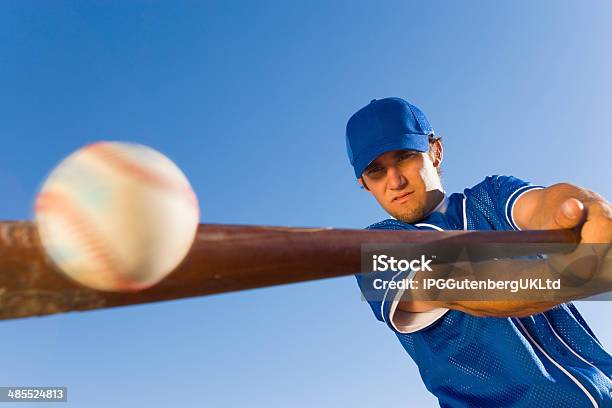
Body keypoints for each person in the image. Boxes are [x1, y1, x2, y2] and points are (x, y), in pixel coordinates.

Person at [345, 97, 612, 408]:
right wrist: (578, 272)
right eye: (376, 171)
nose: (395, 181)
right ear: (364, 184)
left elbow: (547, 204)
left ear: (435, 152)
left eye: (404, 156)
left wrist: (591, 214)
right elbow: (464, 284)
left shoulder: (492, 196)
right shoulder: (372, 250)